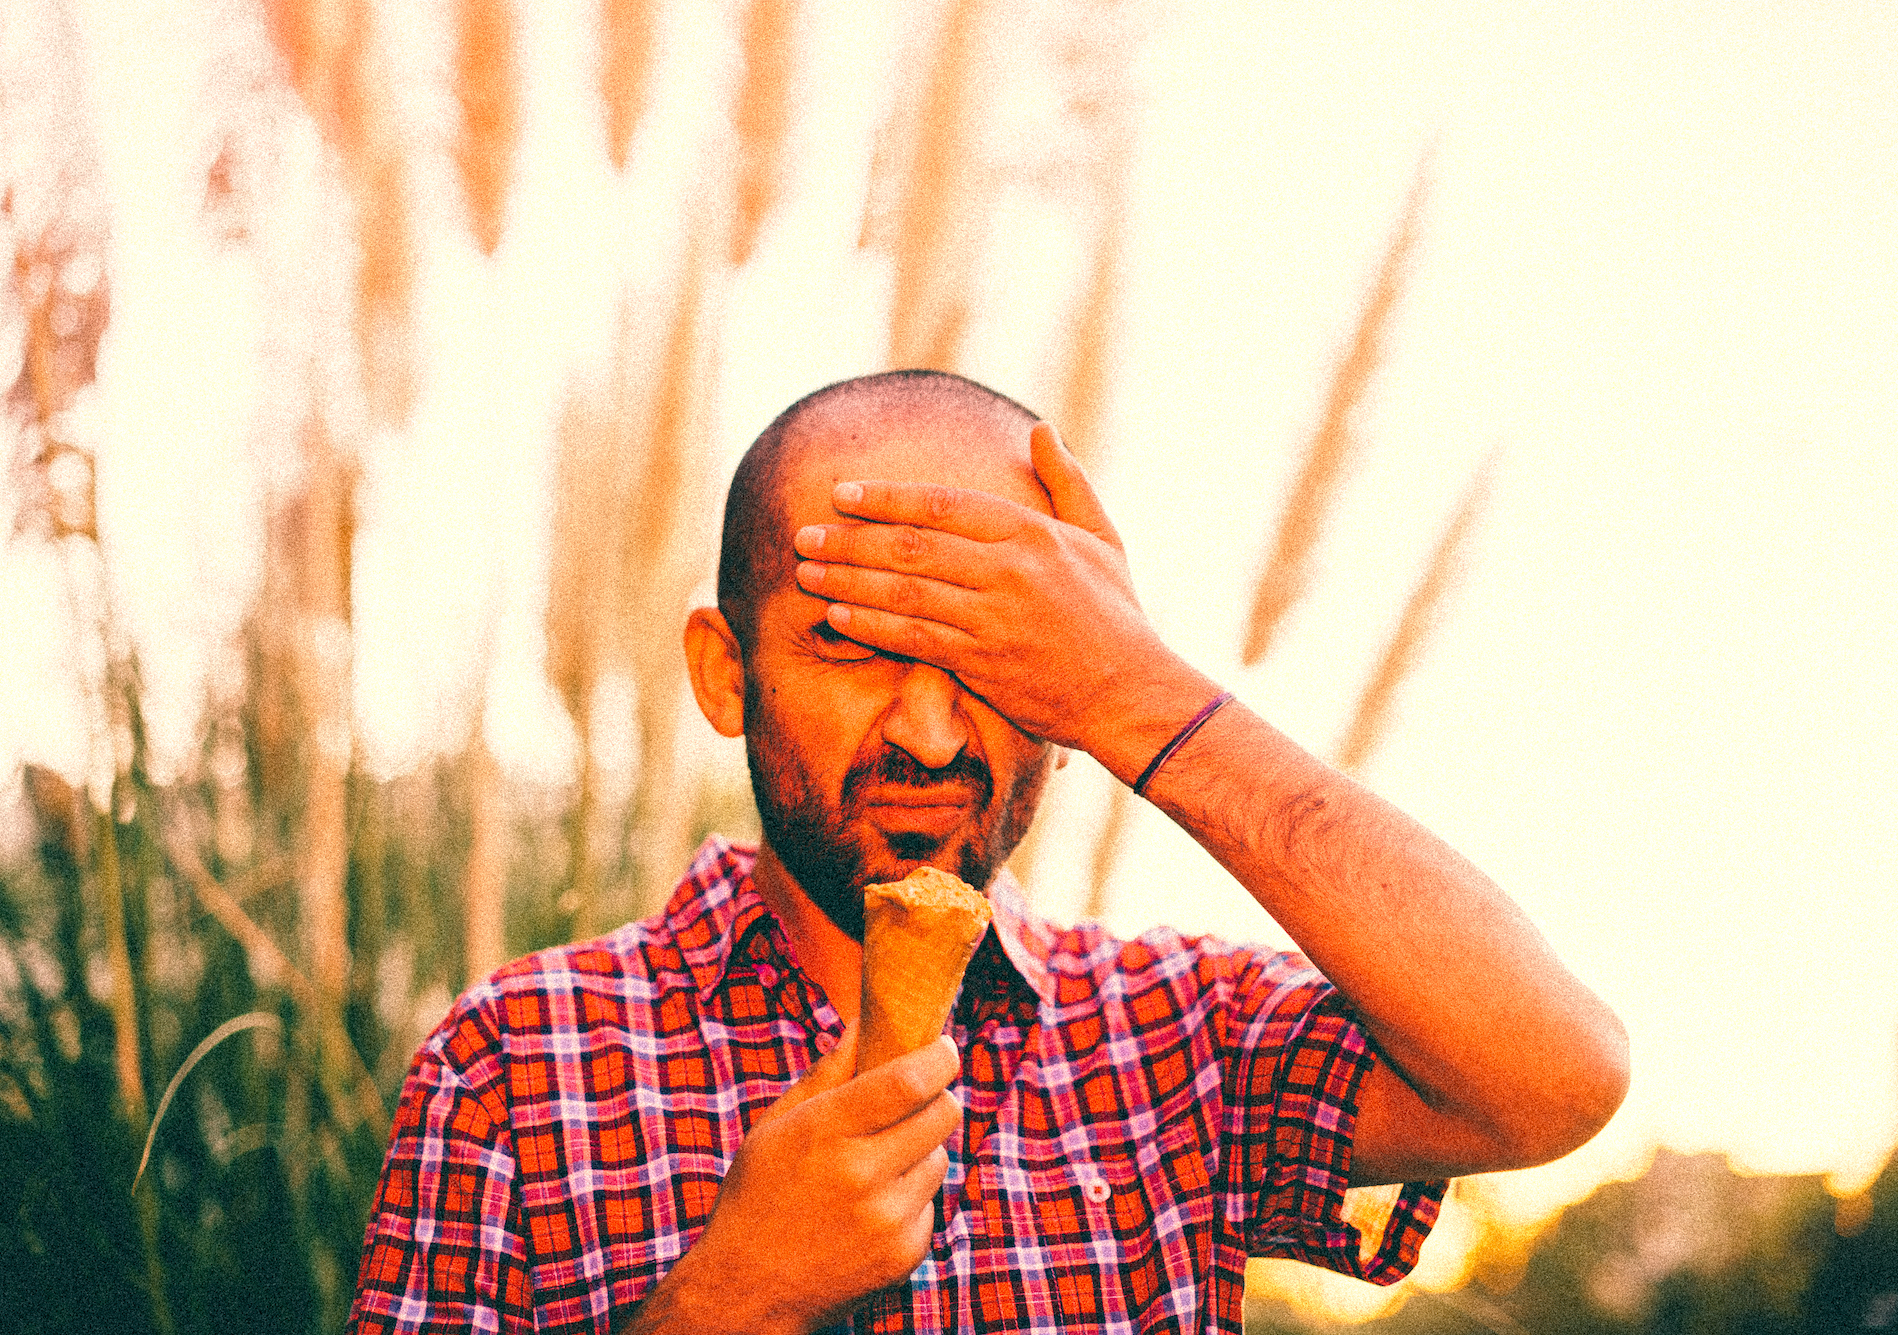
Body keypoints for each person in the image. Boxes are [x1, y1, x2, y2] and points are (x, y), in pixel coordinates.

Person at [345, 370, 1629, 1334]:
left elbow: (1550, 1077)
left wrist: (1133, 693)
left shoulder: (1175, 1038)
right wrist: (726, 1299)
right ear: (725, 674)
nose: (926, 729)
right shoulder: (512, 1063)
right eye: (849, 642)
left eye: (993, 655)